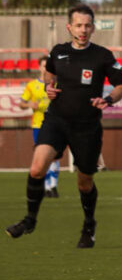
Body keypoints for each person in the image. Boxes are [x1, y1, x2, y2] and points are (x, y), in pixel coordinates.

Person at [5, 4, 122, 248]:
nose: (83, 30)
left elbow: (121, 87)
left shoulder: (102, 56)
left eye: (88, 25)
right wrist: (49, 88)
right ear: (69, 27)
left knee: (84, 182)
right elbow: (49, 76)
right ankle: (30, 220)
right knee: (37, 168)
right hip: (56, 120)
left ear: (93, 28)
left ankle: (89, 224)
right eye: (79, 25)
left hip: (87, 127)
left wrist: (108, 99)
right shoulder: (58, 52)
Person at [19, 57, 62, 198]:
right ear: (39, 67)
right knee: (43, 158)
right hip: (38, 125)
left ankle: (52, 186)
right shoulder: (31, 86)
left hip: (56, 124)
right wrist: (29, 105)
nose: (46, 69)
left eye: (48, 66)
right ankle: (45, 186)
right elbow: (22, 103)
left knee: (55, 157)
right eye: (44, 66)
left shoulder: (57, 85)